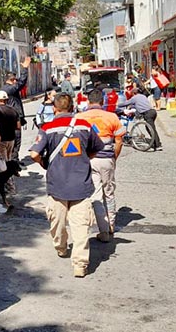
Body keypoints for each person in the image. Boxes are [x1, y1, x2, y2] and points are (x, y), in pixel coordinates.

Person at [29, 93, 104, 278]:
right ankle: (80, 265)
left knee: (57, 222)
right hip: (81, 184)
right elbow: (96, 147)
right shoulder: (85, 126)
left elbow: (33, 154)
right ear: (72, 108)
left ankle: (61, 247)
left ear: (54, 108)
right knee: (80, 227)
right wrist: (83, 159)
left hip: (57, 185)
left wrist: (45, 164)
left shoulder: (48, 128)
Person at [77, 89, 125, 241]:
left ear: (88, 101)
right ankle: (111, 225)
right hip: (107, 160)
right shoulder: (112, 117)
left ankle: (103, 231)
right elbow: (119, 141)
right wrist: (114, 158)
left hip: (89, 160)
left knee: (96, 195)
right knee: (109, 193)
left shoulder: (79, 117)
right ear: (103, 101)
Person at [0, 91, 20, 206]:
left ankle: (7, 187)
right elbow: (18, 127)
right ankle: (11, 187)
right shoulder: (13, 110)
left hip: (1, 141)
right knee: (8, 162)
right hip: (11, 140)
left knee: (2, 166)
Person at [1, 56, 31, 161]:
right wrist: (25, 68)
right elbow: (22, 82)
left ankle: (14, 161)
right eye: (15, 80)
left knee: (13, 142)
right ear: (13, 80)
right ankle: (14, 162)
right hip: (13, 120)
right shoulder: (10, 89)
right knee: (16, 141)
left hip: (10, 119)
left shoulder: (5, 89)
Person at [118, 86, 162, 151]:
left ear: (134, 93)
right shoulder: (143, 96)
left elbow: (126, 103)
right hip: (153, 112)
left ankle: (157, 145)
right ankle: (155, 142)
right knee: (150, 128)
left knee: (151, 128)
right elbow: (139, 104)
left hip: (147, 113)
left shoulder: (134, 98)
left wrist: (117, 105)